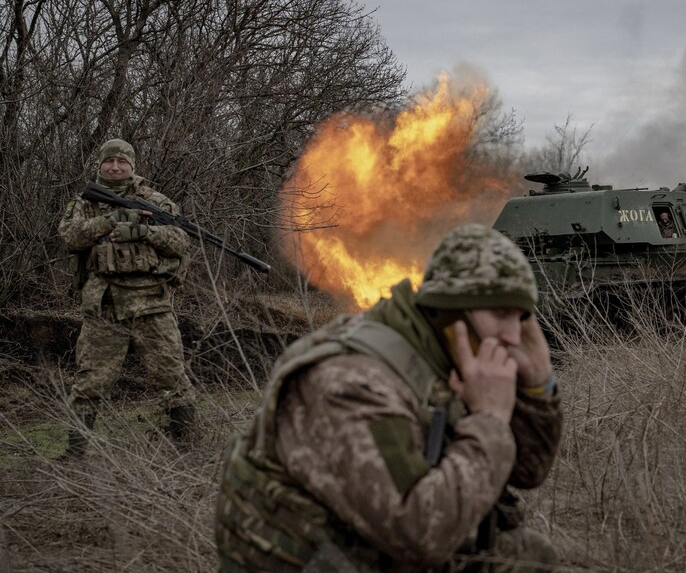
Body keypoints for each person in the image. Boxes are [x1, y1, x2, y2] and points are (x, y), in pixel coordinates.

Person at [215, 224, 563, 572]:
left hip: (371, 548)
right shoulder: (352, 381)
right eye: (500, 314)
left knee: (526, 554)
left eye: (521, 317)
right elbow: (418, 536)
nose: (514, 335)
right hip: (321, 559)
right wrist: (488, 419)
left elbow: (527, 470)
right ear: (452, 310)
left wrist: (538, 384)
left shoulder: (446, 355)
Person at [58, 138, 197, 457]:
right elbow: (69, 237)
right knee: (90, 381)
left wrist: (144, 232)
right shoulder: (84, 202)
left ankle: (188, 449)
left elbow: (181, 241)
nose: (116, 166)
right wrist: (111, 221)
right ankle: (74, 455)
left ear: (132, 166)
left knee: (172, 375)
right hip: (104, 304)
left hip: (153, 303)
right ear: (101, 165)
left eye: (123, 162)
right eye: (110, 161)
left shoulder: (154, 200)